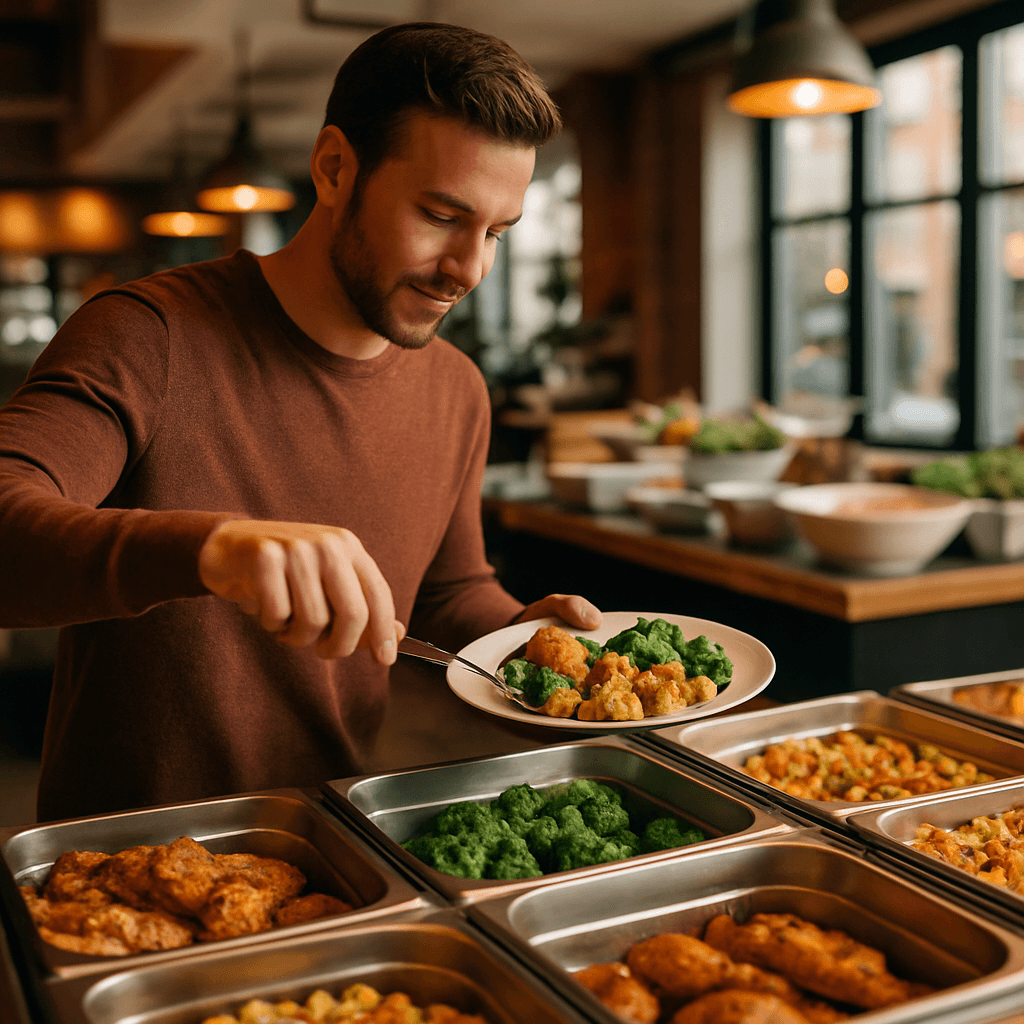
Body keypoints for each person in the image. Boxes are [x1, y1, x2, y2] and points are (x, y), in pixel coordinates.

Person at [0, 22, 601, 822]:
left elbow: (450, 592)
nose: (469, 269)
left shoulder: (457, 388)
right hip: (120, 864)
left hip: (326, 841)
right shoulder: (148, 334)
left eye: (494, 233)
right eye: (439, 215)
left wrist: (522, 636)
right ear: (334, 169)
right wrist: (212, 548)